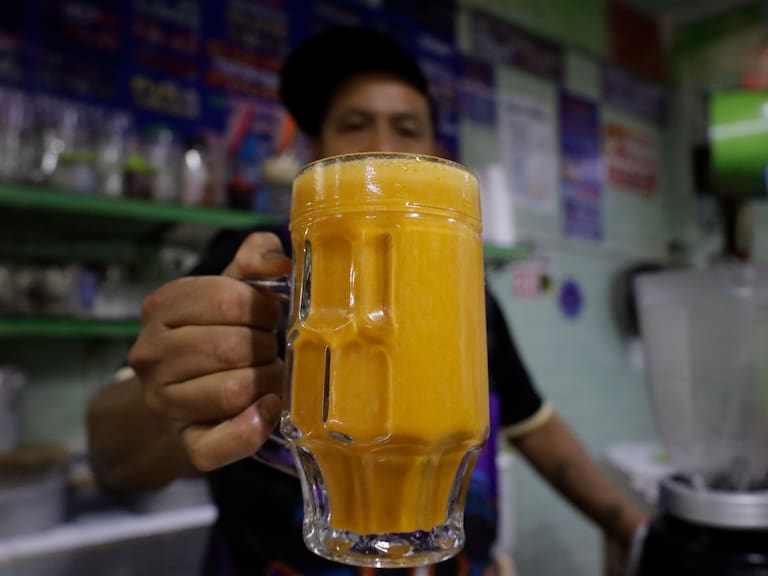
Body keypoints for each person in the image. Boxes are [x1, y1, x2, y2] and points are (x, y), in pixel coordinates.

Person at [87, 26, 647, 576]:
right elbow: (112, 455)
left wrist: (636, 532)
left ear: (434, 155)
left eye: (407, 127)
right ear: (315, 153)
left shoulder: (471, 294)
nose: (382, 144)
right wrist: (172, 396)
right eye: (355, 124)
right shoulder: (252, 264)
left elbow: (535, 427)